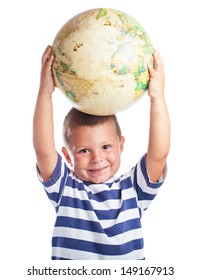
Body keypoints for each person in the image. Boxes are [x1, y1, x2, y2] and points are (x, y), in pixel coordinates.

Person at [33, 45, 170, 260]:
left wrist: (157, 98)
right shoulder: (65, 188)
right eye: (84, 150)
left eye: (106, 147)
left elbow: (158, 155)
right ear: (68, 157)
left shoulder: (133, 189)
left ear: (121, 145)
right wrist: (45, 92)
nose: (97, 158)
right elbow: (43, 150)